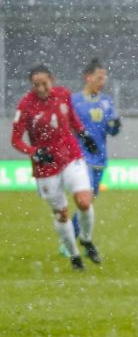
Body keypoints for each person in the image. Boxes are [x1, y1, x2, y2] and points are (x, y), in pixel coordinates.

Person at [10, 64, 102, 270]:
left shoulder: (63, 95)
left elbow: (71, 118)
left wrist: (84, 134)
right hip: (46, 165)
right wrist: (34, 151)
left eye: (44, 83)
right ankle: (74, 256)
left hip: (70, 156)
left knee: (84, 201)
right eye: (36, 85)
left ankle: (86, 240)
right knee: (62, 213)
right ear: (31, 85)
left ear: (52, 79)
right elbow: (15, 140)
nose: (41, 88)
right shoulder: (25, 105)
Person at [71, 58, 121, 241]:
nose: (103, 81)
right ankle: (72, 239)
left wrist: (116, 125)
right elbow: (67, 126)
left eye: (104, 78)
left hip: (100, 157)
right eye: (99, 77)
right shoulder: (74, 101)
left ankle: (70, 236)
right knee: (86, 199)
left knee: (88, 201)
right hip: (81, 157)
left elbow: (112, 130)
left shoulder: (106, 101)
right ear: (88, 78)